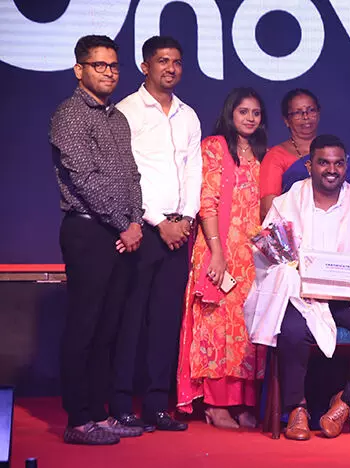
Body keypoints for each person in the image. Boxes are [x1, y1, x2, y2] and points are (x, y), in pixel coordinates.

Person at [245, 134, 350, 441]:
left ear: (346, 166)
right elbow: (268, 257)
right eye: (323, 163)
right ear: (310, 166)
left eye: (338, 163)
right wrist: (293, 271)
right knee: (291, 330)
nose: (331, 170)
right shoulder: (286, 204)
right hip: (303, 298)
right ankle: (296, 408)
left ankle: (346, 402)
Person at [50, 35, 145, 445]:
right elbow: (84, 180)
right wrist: (123, 225)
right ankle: (78, 420)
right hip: (88, 230)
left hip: (119, 231)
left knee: (109, 329)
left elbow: (132, 177)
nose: (108, 72)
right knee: (84, 328)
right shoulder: (69, 115)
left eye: (113, 65)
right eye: (99, 65)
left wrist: (135, 222)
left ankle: (100, 414)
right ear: (80, 70)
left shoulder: (117, 118)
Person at [109, 35, 202, 432]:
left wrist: (187, 219)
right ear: (145, 66)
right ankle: (120, 404)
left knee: (166, 321)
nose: (171, 68)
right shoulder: (126, 111)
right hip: (142, 229)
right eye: (163, 61)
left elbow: (194, 172)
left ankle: (156, 405)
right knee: (131, 320)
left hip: (180, 230)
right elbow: (124, 174)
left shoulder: (188, 115)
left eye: (176, 61)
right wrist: (157, 222)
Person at [176, 87, 267, 429]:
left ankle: (244, 402)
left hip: (252, 256)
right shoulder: (214, 147)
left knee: (246, 331)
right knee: (216, 328)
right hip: (218, 249)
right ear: (230, 113)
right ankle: (216, 404)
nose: (250, 118)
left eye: (255, 113)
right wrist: (217, 252)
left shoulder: (262, 154)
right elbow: (207, 202)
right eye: (243, 111)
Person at [259, 89, 350, 219]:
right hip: (296, 227)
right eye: (298, 112)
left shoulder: (335, 152)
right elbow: (268, 209)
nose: (306, 117)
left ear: (318, 113)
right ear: (286, 120)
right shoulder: (275, 156)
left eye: (311, 110)